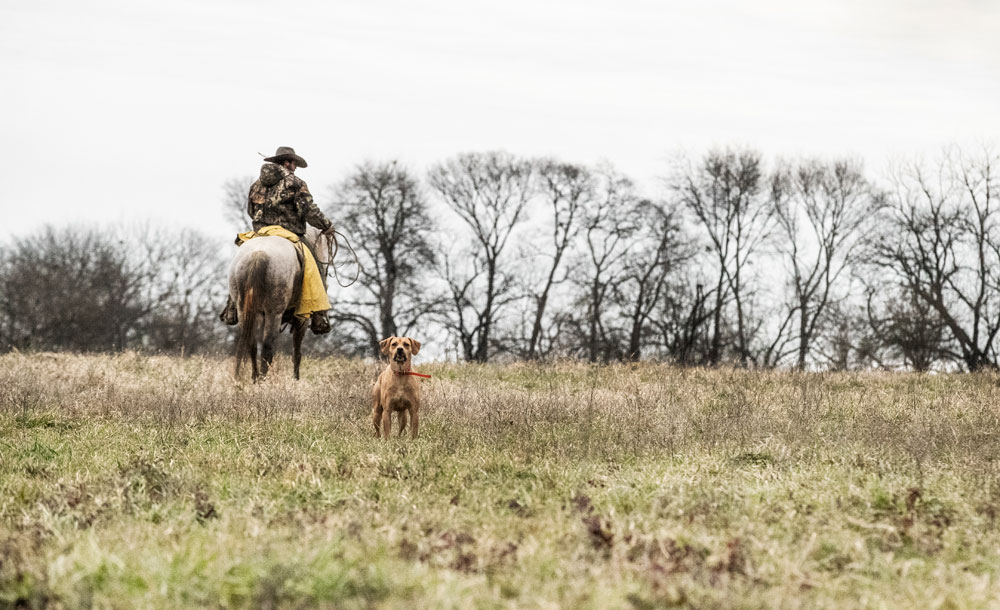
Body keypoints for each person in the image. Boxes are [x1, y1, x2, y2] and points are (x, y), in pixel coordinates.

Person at [220, 146, 335, 334]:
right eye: (292, 162)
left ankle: (232, 306)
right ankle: (319, 314)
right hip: (289, 233)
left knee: (242, 256)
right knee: (316, 263)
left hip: (261, 232)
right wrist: (326, 225)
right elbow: (309, 211)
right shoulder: (295, 182)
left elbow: (250, 210)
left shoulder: (256, 184)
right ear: (284, 163)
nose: (294, 167)